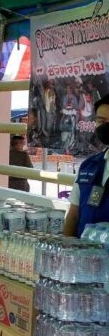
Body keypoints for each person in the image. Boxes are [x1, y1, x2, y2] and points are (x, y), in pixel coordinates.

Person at [64, 95, 109, 236]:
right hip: (82, 248)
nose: (106, 126)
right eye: (101, 121)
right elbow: (73, 214)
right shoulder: (88, 166)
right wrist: (66, 245)